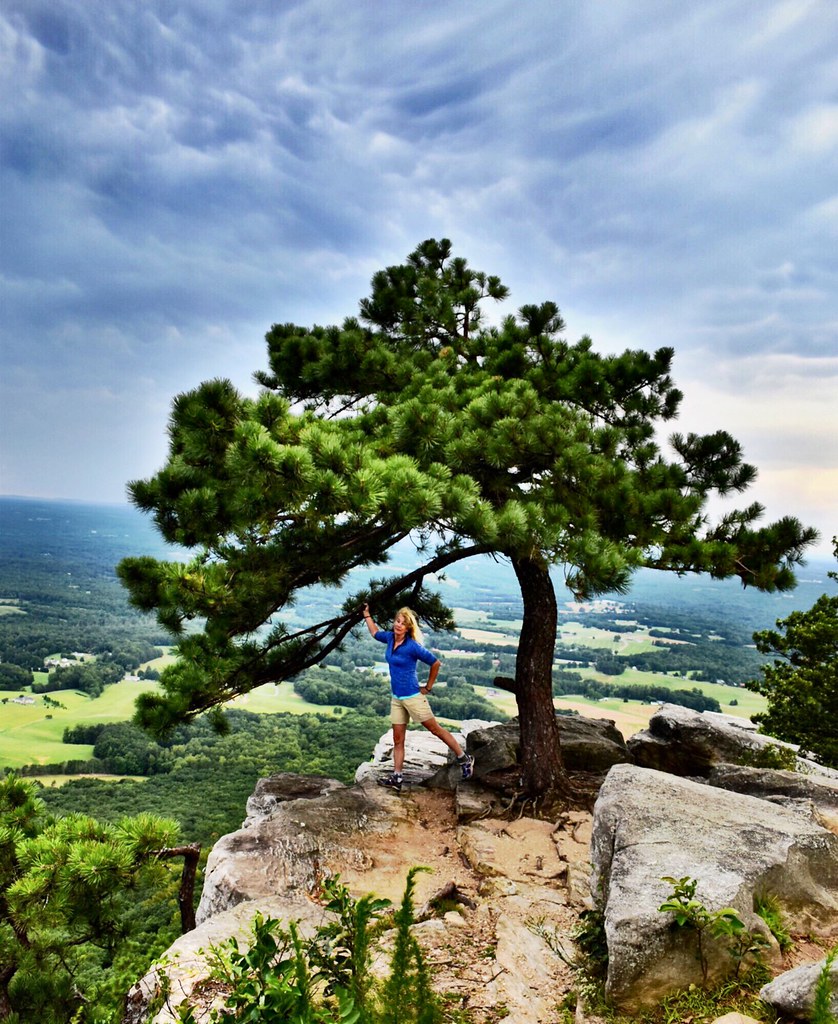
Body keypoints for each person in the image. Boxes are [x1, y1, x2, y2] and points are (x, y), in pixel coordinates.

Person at [363, 603, 474, 792]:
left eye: (403, 623)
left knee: (435, 729)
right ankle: (397, 777)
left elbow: (435, 663)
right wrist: (367, 614)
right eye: (397, 621)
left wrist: (428, 687)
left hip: (413, 696)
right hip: (396, 698)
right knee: (398, 740)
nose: (398, 625)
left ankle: (464, 758)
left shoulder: (412, 647)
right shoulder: (390, 639)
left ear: (408, 628)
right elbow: (374, 632)